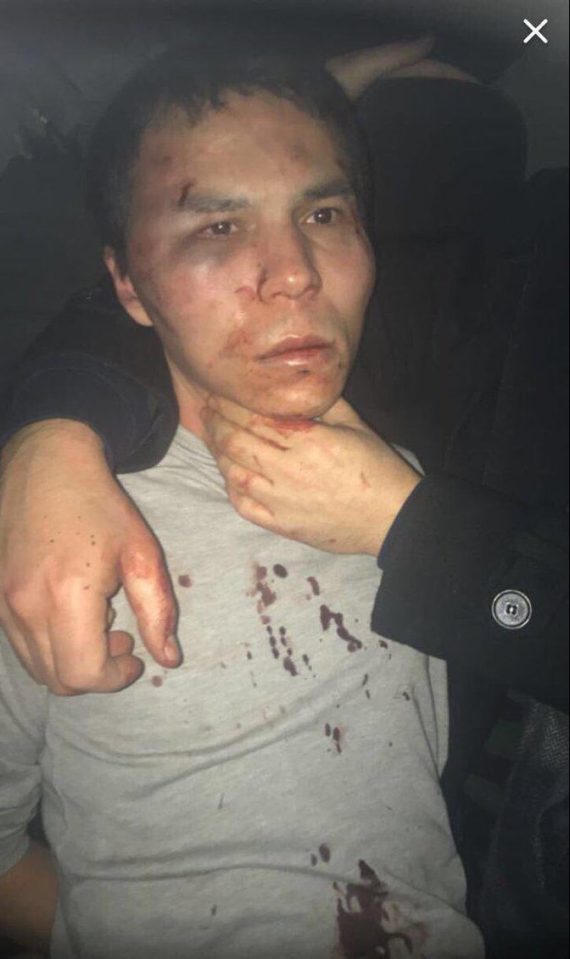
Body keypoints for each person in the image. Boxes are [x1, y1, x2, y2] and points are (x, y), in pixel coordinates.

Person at [0, 38, 567, 958]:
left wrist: (409, 524)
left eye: (325, 213)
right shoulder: (58, 533)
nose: (295, 271)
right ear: (125, 285)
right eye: (220, 229)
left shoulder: (431, 483)